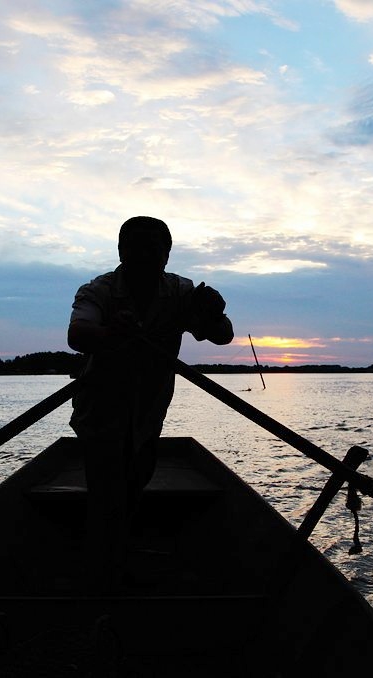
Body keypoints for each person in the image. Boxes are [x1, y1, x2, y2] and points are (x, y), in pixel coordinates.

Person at [68, 215, 233, 590]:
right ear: (121, 252)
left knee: (135, 480)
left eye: (153, 250)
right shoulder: (100, 290)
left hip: (149, 409)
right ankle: (104, 573)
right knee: (108, 492)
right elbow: (78, 335)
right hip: (101, 409)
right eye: (135, 249)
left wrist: (213, 312)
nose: (144, 257)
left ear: (167, 255)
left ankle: (117, 551)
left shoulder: (180, 292)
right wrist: (111, 333)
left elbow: (223, 336)